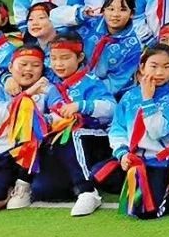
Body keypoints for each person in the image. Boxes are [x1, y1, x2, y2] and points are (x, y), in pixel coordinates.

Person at [99, 45, 169, 219]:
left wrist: (147, 100)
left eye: (166, 67)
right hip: (133, 159)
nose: (159, 72)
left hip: (159, 161)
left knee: (148, 213)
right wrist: (122, 154)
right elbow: (117, 129)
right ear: (142, 67)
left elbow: (157, 132)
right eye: (154, 66)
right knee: (98, 175)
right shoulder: (129, 97)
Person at [42, 34, 116, 216]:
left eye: (65, 58)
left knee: (74, 134)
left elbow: (111, 108)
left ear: (80, 57)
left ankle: (87, 191)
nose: (58, 64)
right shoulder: (51, 85)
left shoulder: (91, 81)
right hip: (62, 142)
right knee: (44, 190)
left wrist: (82, 105)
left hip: (95, 137)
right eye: (53, 58)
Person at [0, 46, 54, 211]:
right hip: (2, 153)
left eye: (35, 65)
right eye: (23, 64)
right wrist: (26, 95)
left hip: (35, 153)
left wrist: (43, 120)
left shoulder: (48, 90)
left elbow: (58, 115)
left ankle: (24, 185)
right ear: (10, 67)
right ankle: (8, 187)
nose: (28, 69)